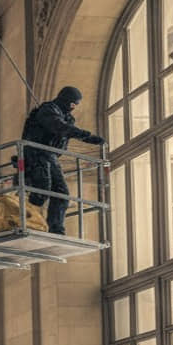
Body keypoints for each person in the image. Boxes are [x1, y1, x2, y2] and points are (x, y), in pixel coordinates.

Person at [20, 86, 105, 234]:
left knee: (61, 194)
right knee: (41, 191)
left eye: (75, 104)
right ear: (64, 99)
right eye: (72, 103)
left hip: (50, 156)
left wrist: (84, 136)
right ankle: (26, 221)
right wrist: (86, 136)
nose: (73, 107)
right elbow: (58, 127)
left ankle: (56, 228)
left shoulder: (66, 117)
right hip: (36, 153)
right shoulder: (47, 110)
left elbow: (65, 128)